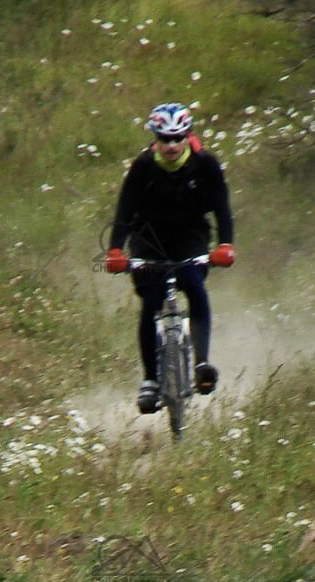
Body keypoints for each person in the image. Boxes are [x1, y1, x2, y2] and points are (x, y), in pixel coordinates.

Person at [105, 102, 235, 414]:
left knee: (193, 283)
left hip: (191, 236)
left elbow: (222, 208)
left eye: (178, 138)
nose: (172, 146)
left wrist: (226, 245)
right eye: (165, 139)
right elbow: (124, 211)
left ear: (188, 136)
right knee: (151, 300)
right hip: (149, 240)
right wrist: (115, 250)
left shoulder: (206, 165)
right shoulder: (143, 167)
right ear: (156, 139)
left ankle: (202, 363)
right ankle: (150, 380)